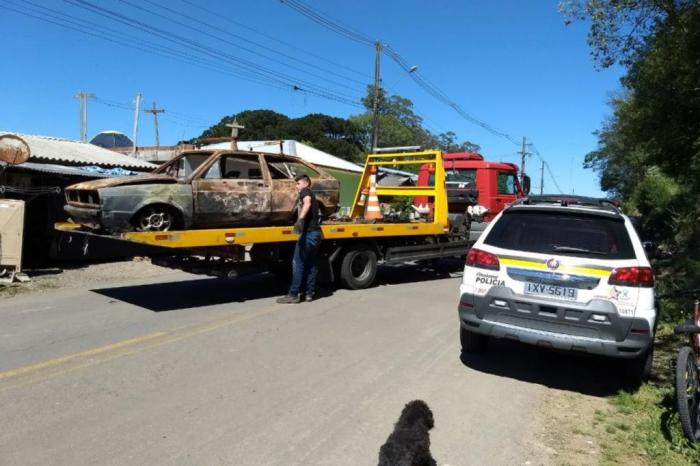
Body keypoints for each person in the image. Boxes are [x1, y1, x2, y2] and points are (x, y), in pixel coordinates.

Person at [276, 174, 322, 303]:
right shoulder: (312, 193)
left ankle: (294, 294)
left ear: (306, 183)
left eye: (298, 183)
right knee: (311, 264)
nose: (296, 186)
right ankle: (309, 293)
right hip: (316, 234)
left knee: (298, 263)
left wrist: (300, 219)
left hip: (308, 235)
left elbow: (306, 203)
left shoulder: (306, 191)